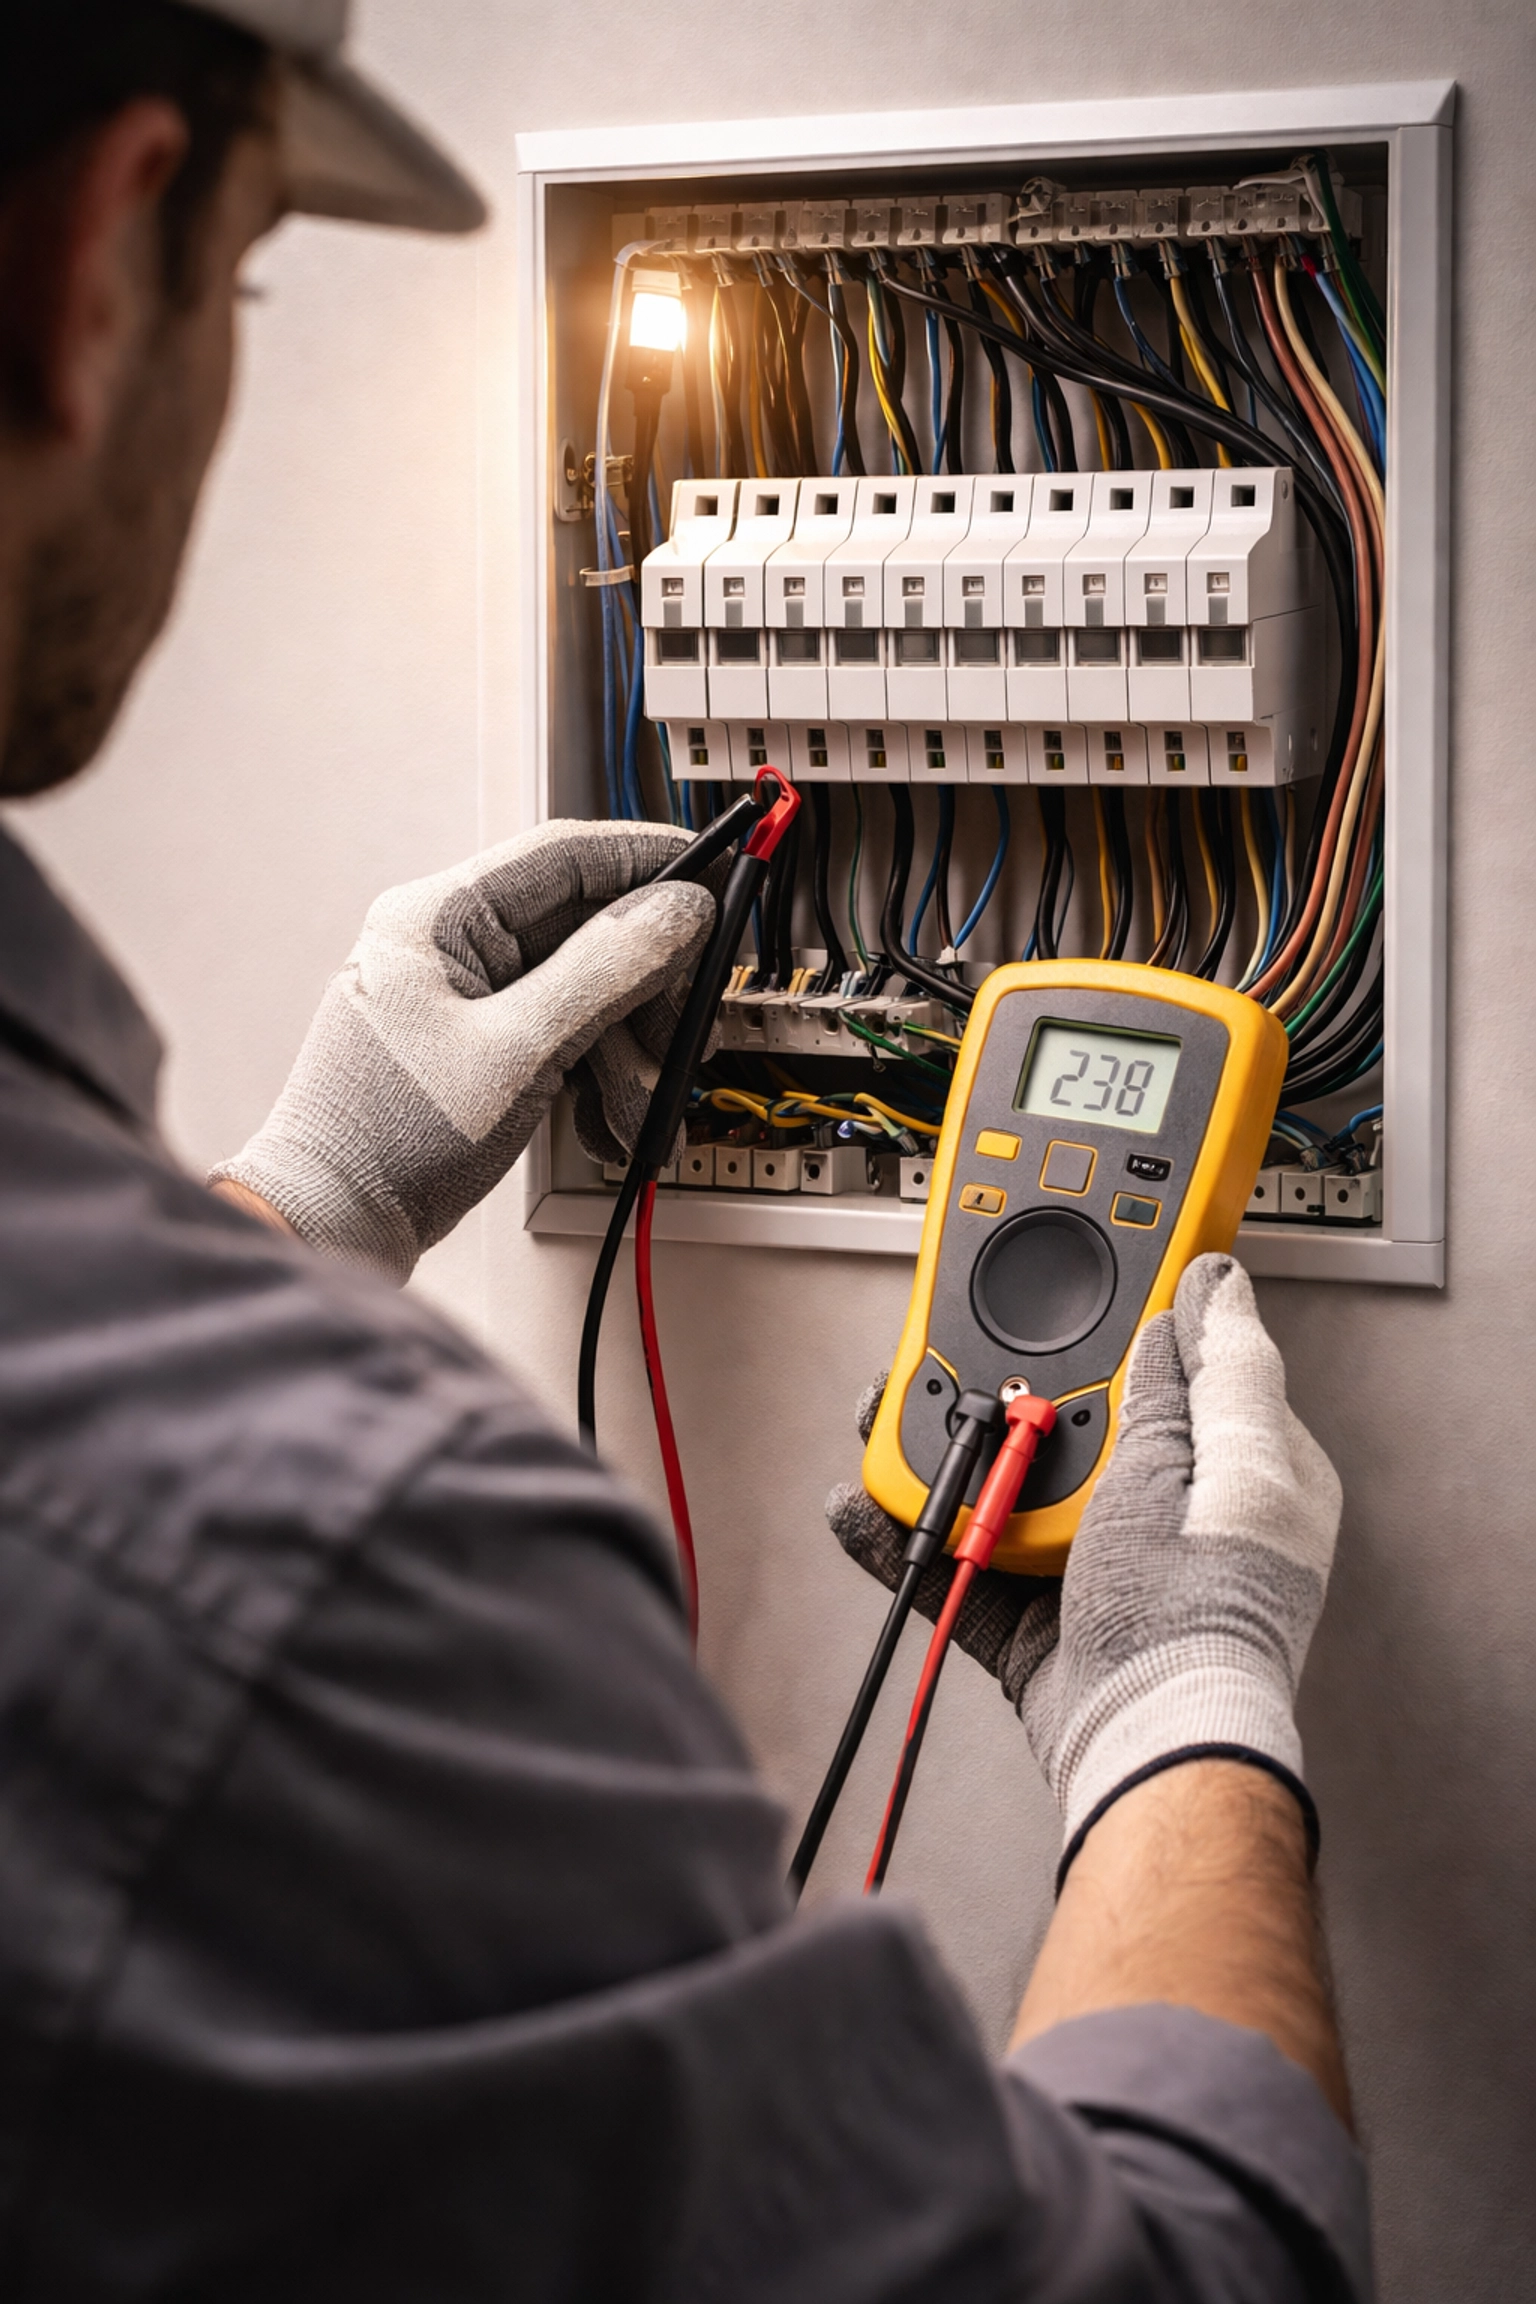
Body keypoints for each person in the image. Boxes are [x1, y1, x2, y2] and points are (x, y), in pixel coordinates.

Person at [0, 1, 1370, 2295]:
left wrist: (311, 1205)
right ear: (99, 251)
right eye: (243, 279)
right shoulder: (341, 1573)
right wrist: (1187, 1708)